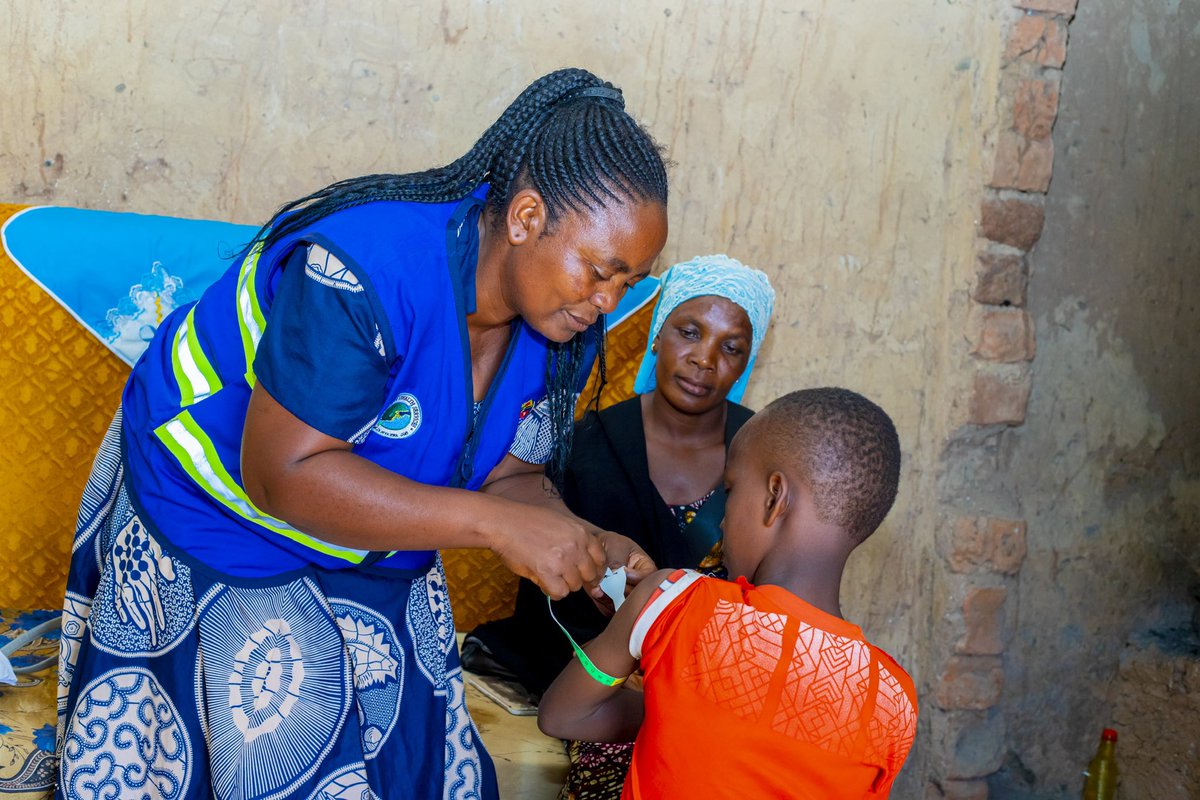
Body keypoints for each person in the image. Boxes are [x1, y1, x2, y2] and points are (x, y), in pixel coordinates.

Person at [55, 68, 669, 800]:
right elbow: (284, 475)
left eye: (628, 282)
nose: (607, 302)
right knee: (287, 734)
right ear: (527, 218)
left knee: (423, 750)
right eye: (601, 271)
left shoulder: (562, 325)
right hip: (218, 507)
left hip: (374, 516)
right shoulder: (364, 270)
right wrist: (496, 525)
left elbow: (512, 475)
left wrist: (581, 539)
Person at [538, 388, 919, 799]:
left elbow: (561, 715)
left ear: (775, 498)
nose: (720, 523)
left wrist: (670, 687)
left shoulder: (674, 601)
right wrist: (683, 703)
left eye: (730, 491)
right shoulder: (894, 700)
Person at [466, 255, 775, 699]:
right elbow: (549, 604)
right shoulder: (587, 443)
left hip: (712, 693)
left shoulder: (766, 458)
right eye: (689, 332)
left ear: (747, 361)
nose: (705, 359)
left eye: (731, 348)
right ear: (656, 336)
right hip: (587, 682)